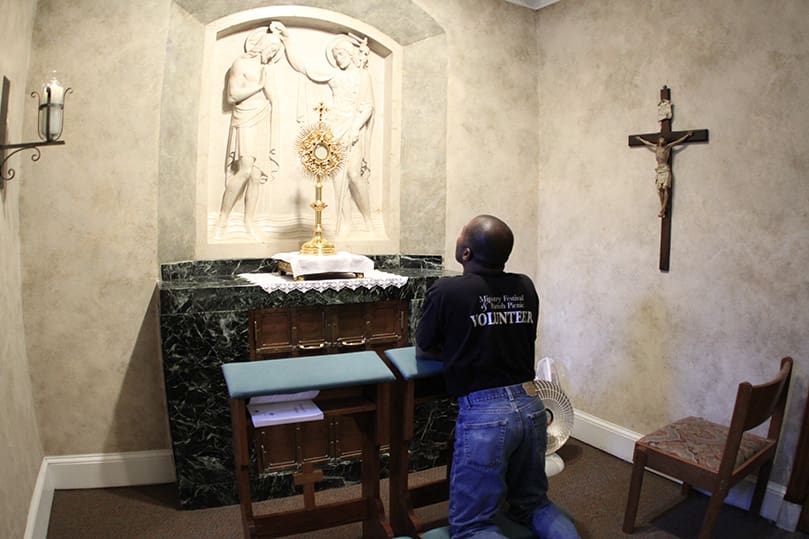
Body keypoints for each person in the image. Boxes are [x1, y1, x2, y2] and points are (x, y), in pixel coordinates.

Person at [416, 215, 580, 539]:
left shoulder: (447, 290)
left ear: (465, 253)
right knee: (535, 505)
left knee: (471, 526)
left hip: (485, 416)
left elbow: (424, 346)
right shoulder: (525, 285)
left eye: (461, 235)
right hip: (532, 405)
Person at [279, 29, 375, 234]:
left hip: (352, 126)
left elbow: (368, 106)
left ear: (350, 53)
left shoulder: (362, 76)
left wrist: (356, 127)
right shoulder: (334, 75)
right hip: (335, 127)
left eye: (341, 54)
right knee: (337, 180)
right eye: (335, 55)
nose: (338, 58)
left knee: (354, 175)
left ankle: (368, 220)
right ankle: (345, 223)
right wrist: (287, 40)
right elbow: (303, 66)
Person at [214, 25, 284, 240]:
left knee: (256, 174)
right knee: (244, 169)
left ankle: (249, 222)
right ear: (261, 45)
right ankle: (222, 219)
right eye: (270, 49)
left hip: (262, 118)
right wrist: (259, 86)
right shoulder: (241, 64)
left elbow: (273, 97)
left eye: (275, 51)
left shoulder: (267, 69)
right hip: (245, 118)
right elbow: (232, 96)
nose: (272, 54)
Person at [634, 131, 692, 218]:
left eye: (663, 139)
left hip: (665, 169)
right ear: (658, 141)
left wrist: (687, 136)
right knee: (659, 190)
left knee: (665, 188)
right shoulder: (656, 147)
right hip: (659, 169)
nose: (662, 140)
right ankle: (663, 208)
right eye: (660, 139)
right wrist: (640, 139)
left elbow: (678, 141)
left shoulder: (668, 147)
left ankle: (663, 208)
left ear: (664, 142)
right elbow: (647, 143)